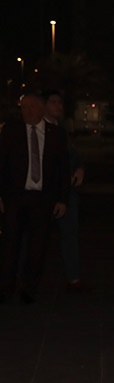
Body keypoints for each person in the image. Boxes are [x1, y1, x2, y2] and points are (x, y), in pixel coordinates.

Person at [0, 92, 69, 303]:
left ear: (41, 109)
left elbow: (62, 168)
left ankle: (29, 288)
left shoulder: (55, 134)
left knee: (38, 246)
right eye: (23, 107)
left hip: (42, 199)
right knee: (10, 244)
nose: (26, 111)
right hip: (15, 197)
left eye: (31, 107)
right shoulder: (11, 131)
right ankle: (6, 287)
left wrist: (62, 199)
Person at [43, 89, 87, 291]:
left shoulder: (62, 129)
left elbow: (72, 155)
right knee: (32, 234)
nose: (58, 106)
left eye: (60, 102)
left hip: (66, 190)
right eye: (53, 102)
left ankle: (73, 278)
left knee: (70, 234)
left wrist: (79, 168)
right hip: (44, 191)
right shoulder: (36, 129)